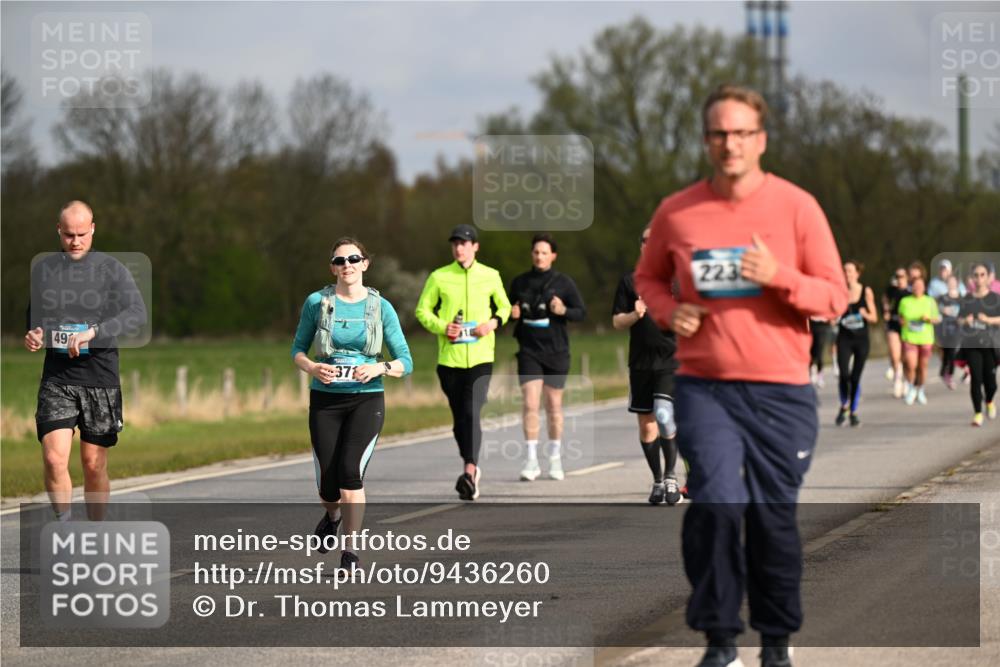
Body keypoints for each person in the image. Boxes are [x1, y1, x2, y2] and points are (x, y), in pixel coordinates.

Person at [635, 84, 848, 667]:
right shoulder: (678, 211)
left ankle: (776, 643)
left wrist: (779, 276)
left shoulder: (797, 207)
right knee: (715, 506)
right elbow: (647, 278)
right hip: (706, 389)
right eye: (719, 133)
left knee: (771, 519)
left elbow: (834, 296)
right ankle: (721, 641)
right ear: (706, 140)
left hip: (782, 393)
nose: (730, 144)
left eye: (742, 133)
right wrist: (667, 309)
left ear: (761, 139)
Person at [292, 237, 412, 570]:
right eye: (340, 261)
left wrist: (379, 367)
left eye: (354, 259)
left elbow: (406, 361)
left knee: (351, 473)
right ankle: (332, 517)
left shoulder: (380, 307)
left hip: (367, 399)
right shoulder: (317, 302)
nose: (347, 265)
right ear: (332, 267)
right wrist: (313, 367)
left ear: (365, 264)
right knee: (328, 488)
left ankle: (351, 551)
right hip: (325, 400)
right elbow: (297, 351)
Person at [25, 200, 148, 522]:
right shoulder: (45, 270)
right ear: (58, 230)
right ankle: (65, 531)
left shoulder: (112, 269)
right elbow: (35, 316)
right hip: (57, 378)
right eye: (69, 235)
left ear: (93, 229)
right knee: (54, 459)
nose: (75, 241)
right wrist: (35, 333)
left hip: (100, 376)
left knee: (93, 464)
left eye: (82, 234)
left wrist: (94, 332)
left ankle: (95, 532)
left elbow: (137, 313)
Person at [415, 224, 511, 500]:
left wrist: (492, 323)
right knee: (459, 419)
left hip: (481, 358)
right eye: (455, 244)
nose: (459, 248)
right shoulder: (439, 276)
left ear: (475, 247)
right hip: (449, 360)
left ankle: (469, 471)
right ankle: (470, 463)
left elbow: (504, 307)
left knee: (471, 411)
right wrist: (443, 326)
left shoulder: (490, 275)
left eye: (464, 243)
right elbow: (422, 311)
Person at [613, 226, 683, 506]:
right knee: (647, 426)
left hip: (671, 359)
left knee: (664, 414)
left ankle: (671, 476)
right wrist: (635, 313)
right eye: (646, 241)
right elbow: (617, 321)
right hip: (640, 363)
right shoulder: (629, 281)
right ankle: (657, 480)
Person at [508, 233, 586, 482]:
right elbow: (502, 311)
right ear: (531, 254)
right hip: (529, 351)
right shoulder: (520, 282)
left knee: (553, 405)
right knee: (530, 403)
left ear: (553, 256)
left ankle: (554, 458)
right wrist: (511, 313)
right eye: (536, 252)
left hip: (556, 351)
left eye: (544, 253)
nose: (539, 257)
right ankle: (531, 460)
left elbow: (581, 312)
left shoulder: (564, 283)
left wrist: (563, 310)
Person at [835, 260, 877, 427]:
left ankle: (853, 411)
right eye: (844, 271)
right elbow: (831, 313)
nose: (846, 274)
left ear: (857, 273)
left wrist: (865, 314)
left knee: (855, 377)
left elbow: (874, 317)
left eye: (850, 271)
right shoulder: (839, 291)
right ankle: (844, 405)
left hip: (861, 340)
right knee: (843, 374)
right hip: (844, 339)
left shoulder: (866, 291)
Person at [958, 263, 1000, 426]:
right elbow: (958, 319)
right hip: (972, 344)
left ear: (988, 277)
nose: (979, 278)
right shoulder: (967, 299)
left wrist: (989, 320)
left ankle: (989, 401)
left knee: (991, 383)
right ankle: (977, 413)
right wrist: (965, 321)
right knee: (976, 378)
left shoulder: (995, 298)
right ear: (972, 278)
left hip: (990, 344)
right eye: (976, 275)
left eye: (982, 275)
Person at [898, 275, 941, 406]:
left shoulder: (930, 301)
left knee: (922, 367)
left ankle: (920, 389)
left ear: (924, 287)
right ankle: (911, 388)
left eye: (920, 286)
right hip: (909, 337)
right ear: (911, 287)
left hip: (925, 338)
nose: (917, 288)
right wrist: (902, 321)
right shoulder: (905, 301)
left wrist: (928, 319)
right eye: (915, 286)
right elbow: (900, 317)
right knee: (911, 365)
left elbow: (937, 319)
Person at [882, 268, 910, 397]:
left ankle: (906, 381)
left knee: (905, 357)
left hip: (907, 327)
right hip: (893, 324)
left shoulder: (910, 292)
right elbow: (884, 300)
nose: (899, 279)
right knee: (895, 354)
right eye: (897, 276)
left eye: (902, 276)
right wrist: (886, 310)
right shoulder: (891, 290)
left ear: (907, 277)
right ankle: (897, 379)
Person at [936, 275, 964, 390]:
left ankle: (950, 375)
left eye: (953, 281)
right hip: (944, 329)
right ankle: (943, 372)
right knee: (946, 353)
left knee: (953, 353)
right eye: (949, 281)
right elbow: (936, 311)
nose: (951, 283)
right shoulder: (942, 298)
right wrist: (942, 310)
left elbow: (965, 312)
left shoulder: (962, 298)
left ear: (957, 283)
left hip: (957, 330)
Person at [807, 318, 833, 388]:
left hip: (822, 328)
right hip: (811, 329)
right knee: (811, 352)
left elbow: (830, 316)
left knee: (819, 353)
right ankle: (811, 372)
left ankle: (820, 376)